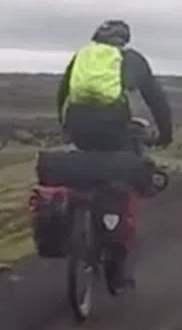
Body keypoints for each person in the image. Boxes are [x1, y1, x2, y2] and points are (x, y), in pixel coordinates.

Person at [54, 18, 174, 284]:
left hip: (78, 126)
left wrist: (66, 126)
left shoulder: (81, 57)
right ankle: (117, 259)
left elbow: (63, 93)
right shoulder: (130, 59)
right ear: (124, 40)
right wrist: (165, 133)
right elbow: (156, 98)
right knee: (127, 178)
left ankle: (80, 218)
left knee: (86, 168)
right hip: (114, 128)